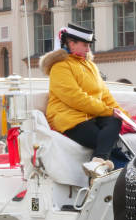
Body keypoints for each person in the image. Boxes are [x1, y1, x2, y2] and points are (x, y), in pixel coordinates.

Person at [40, 23, 125, 178]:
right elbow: (75, 98)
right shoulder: (60, 67)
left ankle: (98, 165)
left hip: (91, 115)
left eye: (89, 45)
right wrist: (108, 111)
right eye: (85, 45)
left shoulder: (90, 66)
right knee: (103, 139)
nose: (88, 49)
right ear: (71, 44)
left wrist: (122, 114)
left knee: (115, 123)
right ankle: (115, 167)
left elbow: (105, 95)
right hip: (69, 118)